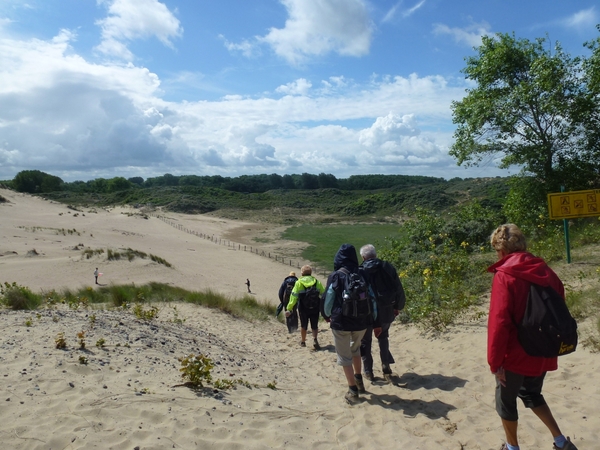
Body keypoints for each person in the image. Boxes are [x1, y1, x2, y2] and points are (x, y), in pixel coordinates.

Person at [488, 224, 578, 450]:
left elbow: (499, 322)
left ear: (501, 250)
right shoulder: (547, 271)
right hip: (544, 349)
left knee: (505, 401)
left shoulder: (505, 275)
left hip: (516, 354)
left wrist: (495, 362)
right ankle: (560, 441)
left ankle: (512, 447)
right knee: (531, 393)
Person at [323, 244, 377, 404]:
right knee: (356, 350)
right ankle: (359, 379)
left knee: (344, 356)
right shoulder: (363, 273)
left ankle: (353, 390)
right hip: (361, 322)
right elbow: (371, 297)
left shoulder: (336, 276)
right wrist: (372, 317)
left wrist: (327, 315)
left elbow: (329, 299)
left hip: (341, 322)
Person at [359, 244, 406, 381]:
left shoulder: (360, 270)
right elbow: (398, 288)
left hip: (366, 312)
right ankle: (386, 366)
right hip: (386, 309)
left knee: (365, 341)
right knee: (383, 337)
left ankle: (368, 371)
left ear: (363, 257)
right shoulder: (387, 267)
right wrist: (398, 306)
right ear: (375, 254)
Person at [285, 265, 325, 349]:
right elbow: (323, 294)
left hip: (303, 308)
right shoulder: (317, 282)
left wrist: (289, 308)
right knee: (314, 325)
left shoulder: (299, 282)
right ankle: (315, 339)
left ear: (302, 273)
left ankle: (303, 341)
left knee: (304, 325)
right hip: (315, 307)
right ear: (310, 273)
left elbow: (293, 296)